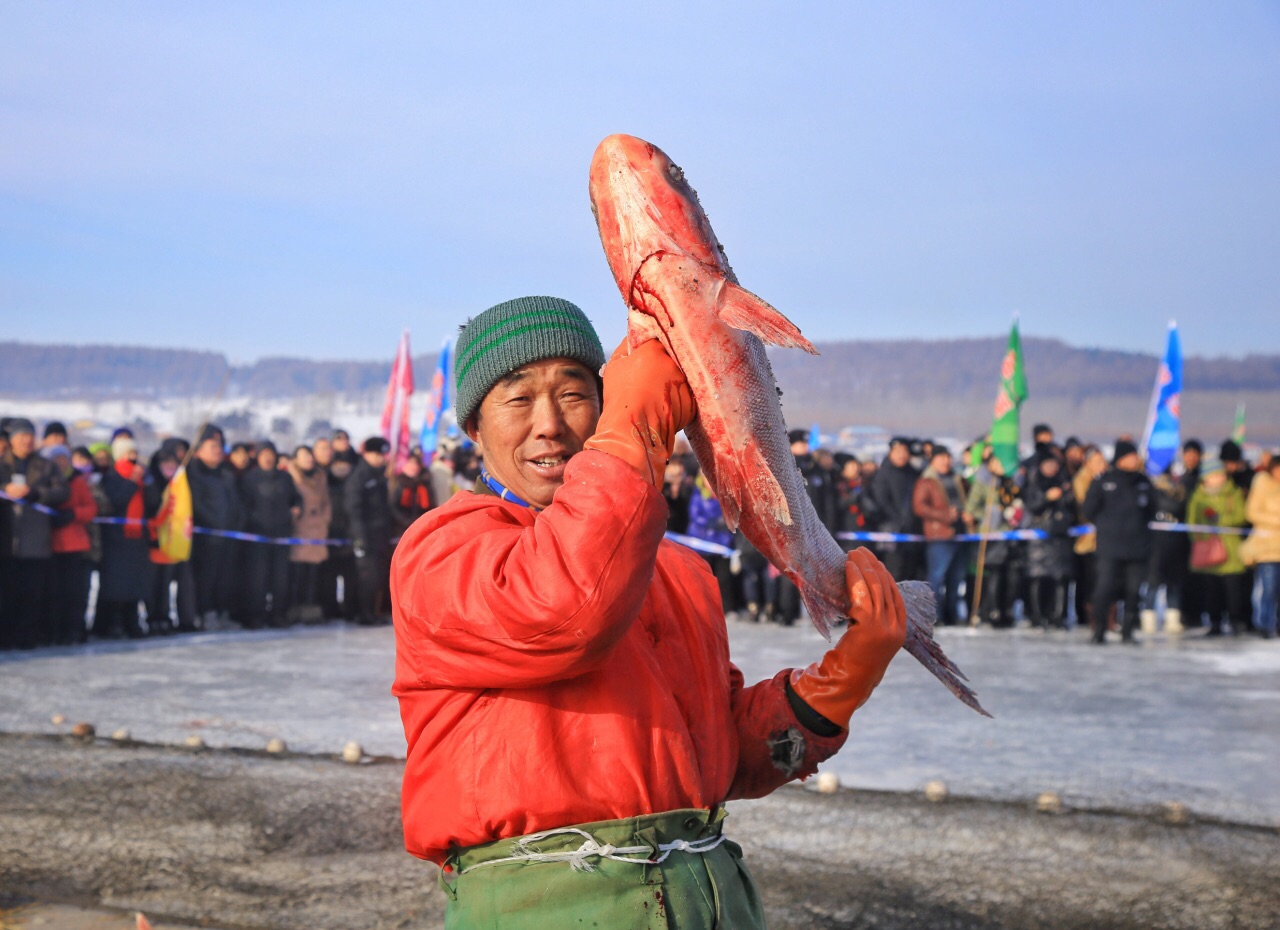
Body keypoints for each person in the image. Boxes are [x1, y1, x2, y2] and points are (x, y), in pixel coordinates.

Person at [390, 297, 905, 929]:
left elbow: (719, 755)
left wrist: (843, 679)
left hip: (710, 901)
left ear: (605, 405)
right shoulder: (445, 549)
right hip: (544, 907)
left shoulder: (677, 569)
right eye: (517, 399)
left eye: (575, 394)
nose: (549, 424)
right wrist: (636, 433)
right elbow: (562, 609)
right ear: (474, 430)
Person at [0, 418, 69, 649]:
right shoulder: (2, 465)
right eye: (22, 437)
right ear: (12, 441)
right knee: (6, 593)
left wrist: (35, 493)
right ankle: (6, 638)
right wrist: (4, 489)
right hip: (6, 540)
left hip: (35, 541)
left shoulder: (46, 466)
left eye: (30, 437)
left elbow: (61, 492)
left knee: (32, 594)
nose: (27, 441)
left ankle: (28, 637)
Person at [1081, 439, 1156, 644]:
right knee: (1104, 590)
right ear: (1121, 459)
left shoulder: (1143, 482)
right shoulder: (1104, 481)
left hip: (1138, 548)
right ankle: (1099, 631)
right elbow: (1088, 510)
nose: (1135, 460)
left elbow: (1153, 510)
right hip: (1110, 548)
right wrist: (1108, 526)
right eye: (1131, 456)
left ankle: (1128, 632)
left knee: (1133, 591)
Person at [97, 434, 154, 639]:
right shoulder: (111, 477)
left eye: (135, 453)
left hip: (136, 539)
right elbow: (116, 501)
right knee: (116, 586)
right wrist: (132, 481)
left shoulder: (141, 478)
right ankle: (114, 623)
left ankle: (132, 623)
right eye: (129, 454)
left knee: (135, 585)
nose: (133, 458)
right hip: (116, 539)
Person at [241, 441, 302, 628]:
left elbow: (296, 497)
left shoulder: (284, 477)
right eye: (263, 454)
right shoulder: (249, 479)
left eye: (270, 454)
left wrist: (297, 508)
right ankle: (256, 615)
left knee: (280, 578)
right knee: (257, 579)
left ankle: (278, 614)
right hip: (257, 536)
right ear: (257, 457)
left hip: (282, 535)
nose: (267, 458)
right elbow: (243, 505)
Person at [1186, 456, 1249, 636]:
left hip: (1231, 550)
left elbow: (1241, 516)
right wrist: (1204, 535)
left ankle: (1236, 621)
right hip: (1209, 552)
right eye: (1215, 475)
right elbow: (1191, 523)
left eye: (1221, 475)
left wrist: (1221, 521)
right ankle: (1215, 622)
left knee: (1234, 592)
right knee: (1212, 592)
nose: (1219, 478)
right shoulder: (1198, 497)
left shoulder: (1233, 493)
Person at [188, 425, 243, 627]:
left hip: (229, 537)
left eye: (220, 446)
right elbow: (197, 505)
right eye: (212, 446)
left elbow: (236, 504)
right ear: (199, 449)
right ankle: (205, 612)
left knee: (225, 578)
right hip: (207, 537)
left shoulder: (226, 474)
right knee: (206, 578)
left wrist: (236, 524)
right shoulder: (194, 474)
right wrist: (216, 525)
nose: (217, 450)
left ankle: (223, 612)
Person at [44, 443, 97, 645]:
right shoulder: (46, 481)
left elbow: (91, 508)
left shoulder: (77, 482)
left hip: (74, 544)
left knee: (74, 593)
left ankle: (75, 630)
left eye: (63, 458)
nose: (60, 462)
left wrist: (73, 514)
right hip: (50, 545)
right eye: (56, 459)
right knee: (54, 593)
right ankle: (54, 631)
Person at [912, 446, 971, 625]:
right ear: (933, 460)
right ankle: (934, 616)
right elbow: (919, 507)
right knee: (937, 577)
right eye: (942, 458)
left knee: (956, 578)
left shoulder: (956, 478)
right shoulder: (926, 481)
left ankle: (952, 614)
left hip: (959, 534)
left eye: (948, 457)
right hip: (938, 535)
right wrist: (945, 515)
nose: (946, 461)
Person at [144, 442, 197, 635]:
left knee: (166, 583)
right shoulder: (151, 484)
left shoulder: (180, 486)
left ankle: (164, 617)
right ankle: (153, 618)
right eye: (164, 462)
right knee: (153, 583)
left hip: (172, 541)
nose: (169, 466)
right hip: (153, 541)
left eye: (172, 463)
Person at [1022, 449, 1075, 630]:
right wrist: (1047, 497)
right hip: (1039, 537)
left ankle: (1058, 616)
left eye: (1054, 464)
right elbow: (1031, 507)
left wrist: (1065, 496)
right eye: (1048, 465)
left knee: (1060, 578)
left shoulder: (1066, 483)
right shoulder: (1033, 484)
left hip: (1060, 536)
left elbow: (1073, 508)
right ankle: (1037, 616)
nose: (1052, 468)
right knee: (1038, 577)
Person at [346, 437, 393, 625]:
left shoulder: (380, 476)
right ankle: (364, 614)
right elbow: (354, 510)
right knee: (368, 577)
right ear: (366, 454)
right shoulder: (359, 477)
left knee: (379, 576)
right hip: (366, 537)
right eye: (376, 454)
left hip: (381, 536)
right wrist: (360, 538)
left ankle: (374, 612)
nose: (380, 458)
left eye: (382, 454)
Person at [287, 444, 332, 623]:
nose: (308, 459)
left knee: (314, 573)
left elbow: (326, 502)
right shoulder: (290, 476)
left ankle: (311, 610)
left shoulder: (320, 477)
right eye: (304, 456)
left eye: (310, 455)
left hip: (317, 530)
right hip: (299, 528)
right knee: (297, 573)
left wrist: (324, 521)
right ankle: (295, 610)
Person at [868, 437, 921, 581]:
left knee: (910, 573)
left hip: (911, 532)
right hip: (890, 531)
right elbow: (882, 501)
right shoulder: (883, 474)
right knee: (892, 574)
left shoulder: (913, 474)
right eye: (898, 451)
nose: (902, 455)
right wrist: (897, 518)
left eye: (905, 451)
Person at [1243, 454, 1280, 639]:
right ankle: (1264, 623)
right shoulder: (1262, 484)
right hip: (1267, 549)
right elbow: (1251, 512)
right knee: (1269, 589)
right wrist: (1276, 521)